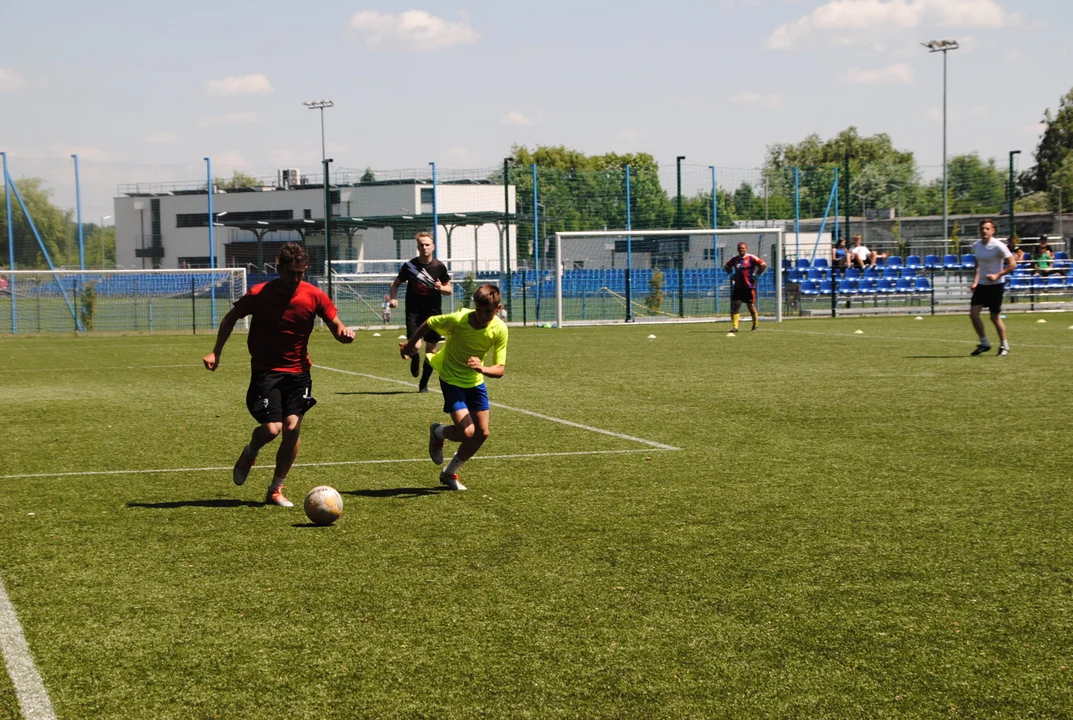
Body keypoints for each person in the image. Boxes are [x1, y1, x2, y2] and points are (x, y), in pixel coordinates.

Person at [202, 242, 355, 506]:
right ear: (279, 268)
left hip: (299, 372)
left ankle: (275, 490)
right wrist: (216, 352)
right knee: (272, 429)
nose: (296, 279)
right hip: (266, 371)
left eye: (301, 273)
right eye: (291, 273)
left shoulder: (314, 295)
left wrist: (344, 334)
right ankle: (250, 452)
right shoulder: (260, 293)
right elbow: (230, 318)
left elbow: (336, 326)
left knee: (292, 428)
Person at [399, 283, 508, 491]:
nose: (483, 315)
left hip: (475, 381)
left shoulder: (500, 329)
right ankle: (438, 432)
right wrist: (411, 344)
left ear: (498, 308)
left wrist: (482, 368)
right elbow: (429, 322)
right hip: (450, 378)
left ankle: (449, 472)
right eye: (479, 310)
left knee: (482, 433)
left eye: (488, 311)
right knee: (467, 432)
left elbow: (500, 369)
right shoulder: (458, 320)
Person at [387, 231, 453, 392]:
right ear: (417, 247)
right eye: (421, 245)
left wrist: (441, 287)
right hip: (414, 313)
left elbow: (449, 289)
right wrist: (393, 299)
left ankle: (423, 384)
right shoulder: (410, 266)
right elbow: (395, 284)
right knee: (415, 347)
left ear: (433, 247)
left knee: (431, 350)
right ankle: (414, 357)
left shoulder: (439, 267)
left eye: (427, 244)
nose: (424, 247)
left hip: (433, 314)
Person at [969, 218, 1015, 357]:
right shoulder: (977, 245)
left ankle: (1004, 345)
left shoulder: (998, 246)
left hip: (995, 285)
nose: (984, 231)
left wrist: (997, 275)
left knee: (994, 317)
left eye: (987, 228)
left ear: (993, 230)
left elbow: (1012, 264)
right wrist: (975, 281)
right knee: (973, 314)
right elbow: (978, 265)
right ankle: (984, 343)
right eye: (982, 228)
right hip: (982, 285)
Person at [724, 242, 767, 332]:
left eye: (743, 248)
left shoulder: (751, 257)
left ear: (746, 249)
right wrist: (731, 274)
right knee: (735, 306)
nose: (741, 249)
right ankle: (735, 327)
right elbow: (726, 266)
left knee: (751, 306)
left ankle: (755, 325)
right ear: (737, 249)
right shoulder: (735, 259)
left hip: (749, 287)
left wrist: (757, 275)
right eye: (739, 248)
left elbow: (763, 264)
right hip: (738, 287)